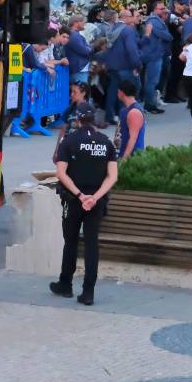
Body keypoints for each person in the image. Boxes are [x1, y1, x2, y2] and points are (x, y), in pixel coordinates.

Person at [49, 102, 118, 307]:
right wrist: (94, 197)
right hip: (96, 202)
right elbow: (112, 176)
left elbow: (61, 173)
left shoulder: (69, 141)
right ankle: (88, 292)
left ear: (77, 119)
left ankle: (65, 284)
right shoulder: (106, 142)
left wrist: (80, 195)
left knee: (70, 241)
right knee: (91, 244)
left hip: (73, 200)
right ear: (94, 119)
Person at [99, 9, 141, 126]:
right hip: (125, 66)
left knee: (112, 92)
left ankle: (110, 116)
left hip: (112, 66)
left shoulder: (111, 29)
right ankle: (126, 116)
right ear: (125, 17)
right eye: (131, 16)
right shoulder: (127, 31)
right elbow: (131, 50)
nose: (132, 18)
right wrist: (137, 64)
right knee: (128, 92)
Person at [143, 1, 173, 112]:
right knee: (152, 81)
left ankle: (151, 104)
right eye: (161, 9)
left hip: (156, 54)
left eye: (164, 8)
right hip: (154, 55)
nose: (164, 10)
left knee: (153, 81)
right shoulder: (153, 21)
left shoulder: (158, 20)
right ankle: (150, 105)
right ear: (154, 10)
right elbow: (167, 36)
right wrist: (167, 36)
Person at [115, 79, 146, 160]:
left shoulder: (134, 112)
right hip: (121, 154)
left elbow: (133, 139)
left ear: (121, 92)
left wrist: (124, 160)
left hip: (133, 158)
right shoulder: (124, 110)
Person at [65, 14, 93, 84]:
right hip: (78, 69)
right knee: (81, 90)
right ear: (76, 22)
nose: (84, 24)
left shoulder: (73, 34)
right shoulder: (74, 35)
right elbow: (85, 51)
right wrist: (90, 48)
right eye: (83, 22)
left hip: (77, 69)